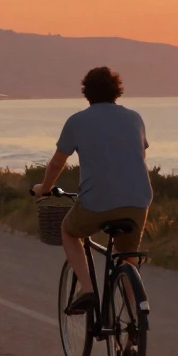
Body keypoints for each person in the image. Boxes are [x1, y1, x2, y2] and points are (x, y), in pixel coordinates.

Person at [32, 66, 152, 316]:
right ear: (117, 91)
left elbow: (57, 162)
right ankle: (132, 335)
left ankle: (87, 289)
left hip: (97, 201)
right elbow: (138, 153)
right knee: (127, 259)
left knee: (68, 230)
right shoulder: (134, 118)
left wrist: (44, 189)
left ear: (86, 92)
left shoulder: (77, 121)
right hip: (138, 200)